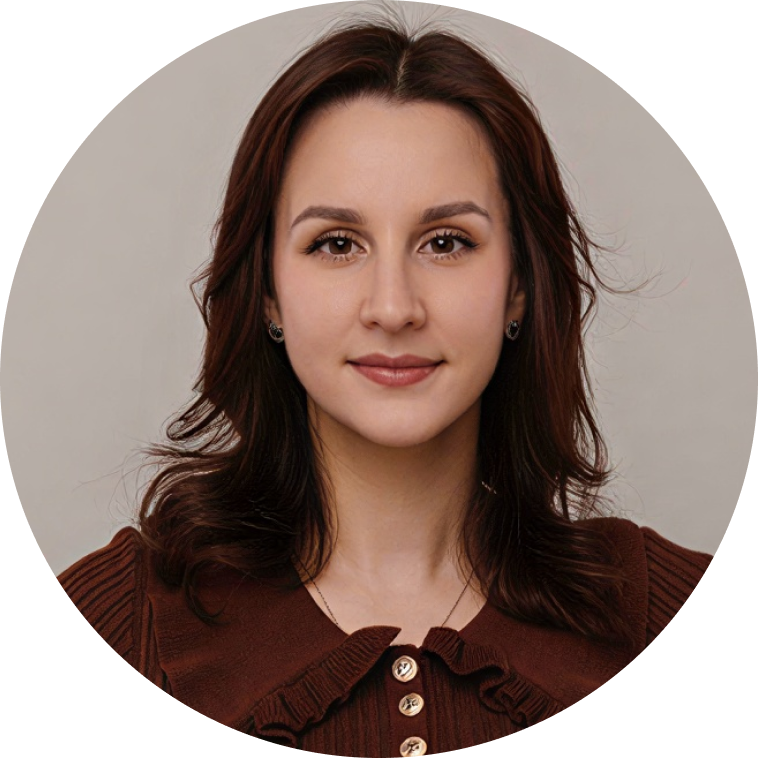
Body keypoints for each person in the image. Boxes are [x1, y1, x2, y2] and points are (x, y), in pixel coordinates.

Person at [57, 17, 711, 757]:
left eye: (446, 242)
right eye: (337, 244)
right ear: (269, 293)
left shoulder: (679, 617)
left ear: (519, 286)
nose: (394, 308)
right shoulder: (112, 632)